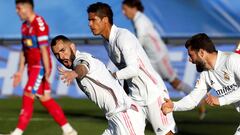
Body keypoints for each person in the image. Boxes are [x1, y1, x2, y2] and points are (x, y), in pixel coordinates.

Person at [87, 2, 176, 135]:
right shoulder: (106, 42)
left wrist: (112, 76)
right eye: (89, 20)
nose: (90, 24)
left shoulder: (123, 36)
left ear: (105, 20)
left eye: (93, 20)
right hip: (135, 97)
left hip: (153, 93)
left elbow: (133, 69)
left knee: (166, 133)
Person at [121, 0, 206, 120]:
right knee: (143, 81)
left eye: (125, 9)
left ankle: (199, 98)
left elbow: (138, 43)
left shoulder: (140, 21)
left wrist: (129, 53)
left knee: (174, 83)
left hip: (159, 57)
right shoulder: (138, 19)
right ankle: (135, 112)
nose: (123, 12)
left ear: (133, 7)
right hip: (151, 59)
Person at [51, 35, 145, 135]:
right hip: (115, 118)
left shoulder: (81, 59)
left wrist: (75, 73)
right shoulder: (78, 61)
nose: (61, 57)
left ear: (72, 47)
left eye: (63, 50)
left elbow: (82, 68)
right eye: (56, 54)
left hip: (124, 114)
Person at [11, 0, 77, 135]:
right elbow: (24, 50)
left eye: (18, 8)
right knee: (44, 98)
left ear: (26, 7)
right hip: (32, 67)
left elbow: (43, 48)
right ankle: (68, 130)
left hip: (40, 66)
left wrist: (46, 69)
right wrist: (19, 71)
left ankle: (18, 132)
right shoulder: (24, 26)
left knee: (28, 93)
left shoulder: (39, 23)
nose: (17, 12)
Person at [161, 33, 240, 135]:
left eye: (191, 55)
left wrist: (221, 100)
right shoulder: (205, 75)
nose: (190, 60)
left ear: (202, 53)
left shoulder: (232, 60)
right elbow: (193, 99)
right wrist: (174, 106)